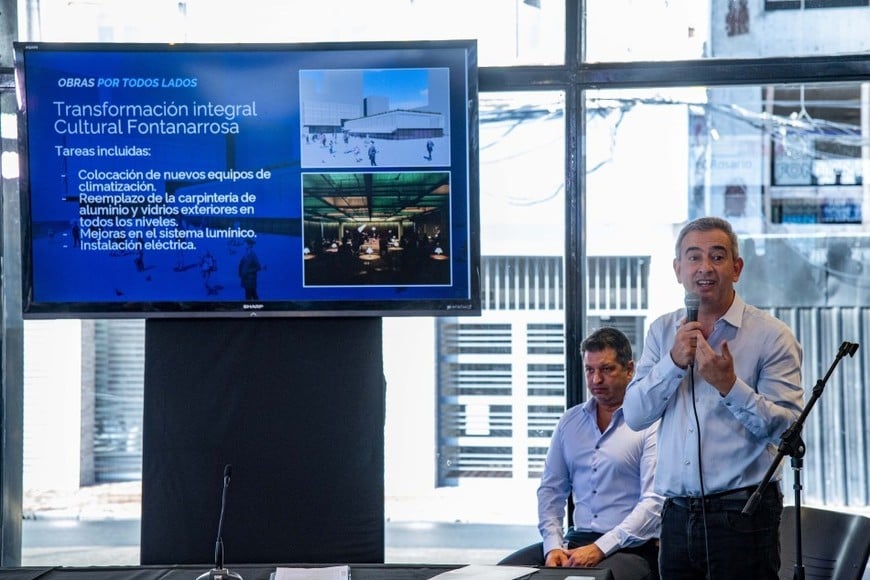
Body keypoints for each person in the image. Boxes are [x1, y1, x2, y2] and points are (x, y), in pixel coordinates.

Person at [622, 216, 804, 580]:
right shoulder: (662, 331)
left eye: (717, 257)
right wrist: (673, 363)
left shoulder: (771, 336)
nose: (705, 267)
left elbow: (787, 431)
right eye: (694, 257)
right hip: (675, 515)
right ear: (678, 269)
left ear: (736, 268)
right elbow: (635, 414)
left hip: (743, 515)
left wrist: (729, 386)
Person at [537, 327, 662, 580]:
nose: (596, 380)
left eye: (606, 369)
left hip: (632, 547)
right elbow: (551, 490)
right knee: (506, 573)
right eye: (589, 370)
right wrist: (553, 546)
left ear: (629, 369)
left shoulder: (651, 424)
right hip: (576, 540)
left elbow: (654, 503)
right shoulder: (570, 422)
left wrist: (600, 548)